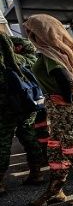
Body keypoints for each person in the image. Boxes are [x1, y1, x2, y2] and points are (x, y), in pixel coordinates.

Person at [24, 14, 73, 206]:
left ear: (40, 33)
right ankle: (55, 190)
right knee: (56, 150)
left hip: (68, 111)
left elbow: (63, 76)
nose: (28, 34)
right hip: (64, 112)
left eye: (31, 31)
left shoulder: (51, 52)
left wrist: (66, 98)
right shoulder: (66, 50)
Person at [0, 33, 46, 195]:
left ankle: (0, 183)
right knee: (30, 137)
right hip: (26, 106)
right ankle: (37, 173)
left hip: (4, 111)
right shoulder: (22, 60)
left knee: (3, 144)